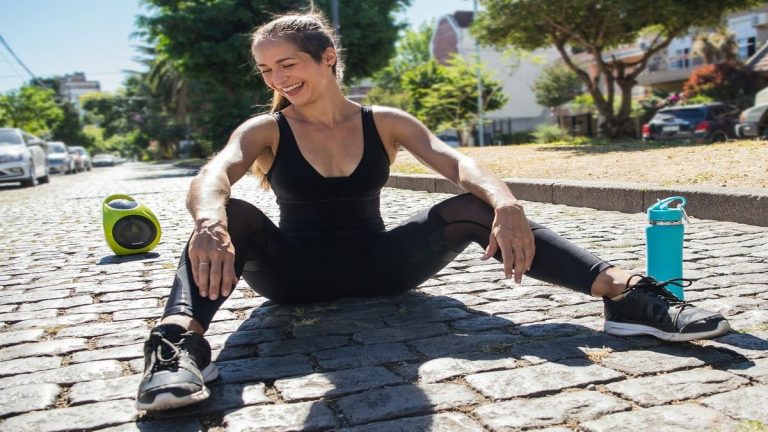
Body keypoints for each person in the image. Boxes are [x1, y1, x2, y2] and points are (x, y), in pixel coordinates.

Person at [136, 11, 731, 411]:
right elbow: (215, 172)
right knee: (230, 214)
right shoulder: (266, 128)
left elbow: (456, 162)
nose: (277, 78)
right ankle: (178, 349)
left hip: (384, 267)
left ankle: (626, 296)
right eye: (267, 70)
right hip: (293, 276)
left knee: (471, 206)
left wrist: (505, 202)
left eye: (287, 63)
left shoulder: (386, 122)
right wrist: (209, 219)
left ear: (327, 58)